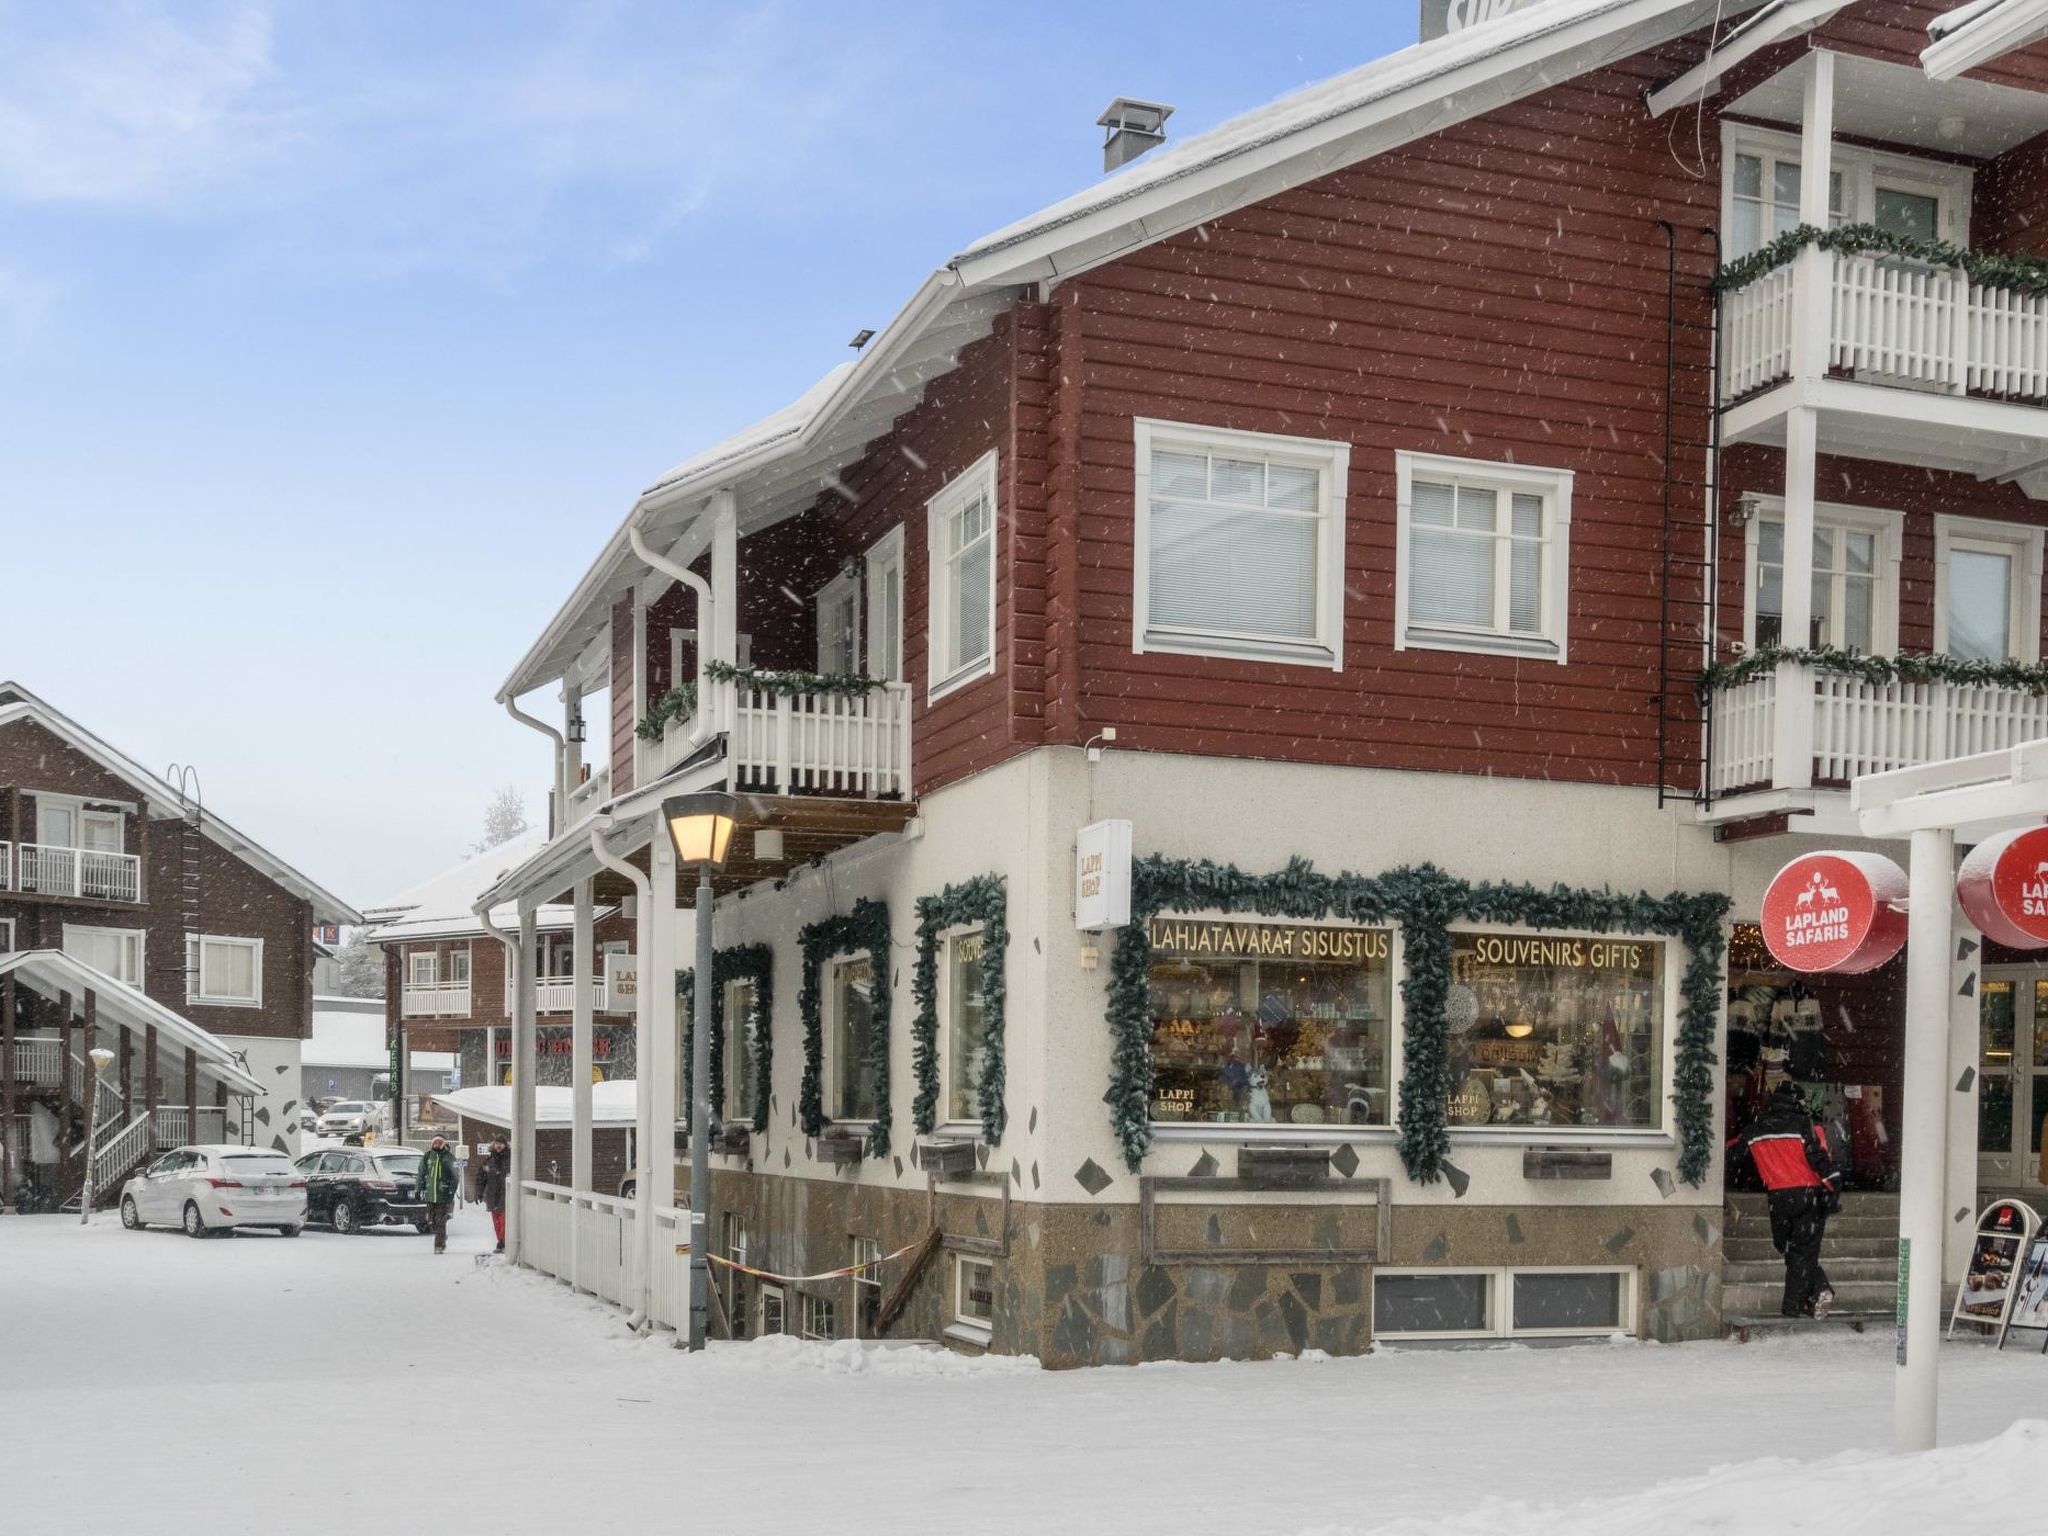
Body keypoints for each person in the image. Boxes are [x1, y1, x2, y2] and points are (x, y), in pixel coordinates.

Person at [1734, 1081, 1842, 1318]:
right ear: (1797, 1102)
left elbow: (1733, 1152)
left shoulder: (1755, 1129)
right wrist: (1834, 1185)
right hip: (1807, 1194)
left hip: (1777, 1198)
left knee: (1790, 1249)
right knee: (1804, 1251)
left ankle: (1802, 1302)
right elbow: (1819, 1159)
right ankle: (1815, 1292)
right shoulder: (1804, 1125)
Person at [418, 1134, 460, 1255]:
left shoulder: (449, 1158)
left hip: (443, 1195)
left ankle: (439, 1245)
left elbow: (455, 1177)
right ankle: (441, 1236)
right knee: (431, 1222)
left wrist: (451, 1191)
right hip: (431, 1195)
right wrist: (418, 1189)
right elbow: (421, 1173)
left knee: (441, 1221)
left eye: (439, 1142)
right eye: (434, 1142)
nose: (436, 1144)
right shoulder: (427, 1157)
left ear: (443, 1144)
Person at [478, 1136, 510, 1253]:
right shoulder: (489, 1161)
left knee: (504, 1221)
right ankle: (500, 1241)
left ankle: (502, 1242)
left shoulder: (511, 1160)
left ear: (505, 1145)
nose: (498, 1146)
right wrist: (479, 1193)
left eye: (501, 1143)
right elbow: (481, 1178)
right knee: (496, 1222)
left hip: (506, 1196)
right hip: (492, 1196)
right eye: (496, 1143)